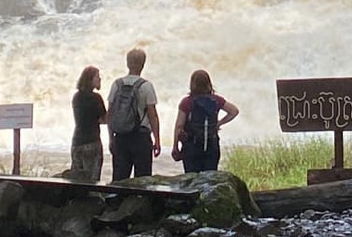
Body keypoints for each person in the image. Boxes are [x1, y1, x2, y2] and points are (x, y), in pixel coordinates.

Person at [105, 48, 161, 181]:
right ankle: (139, 201)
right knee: (142, 180)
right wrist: (157, 140)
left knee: (119, 179)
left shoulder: (117, 84)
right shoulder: (146, 86)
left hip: (120, 137)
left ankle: (115, 201)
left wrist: (111, 138)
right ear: (143, 64)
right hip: (141, 137)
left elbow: (110, 113)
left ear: (127, 63)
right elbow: (152, 116)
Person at [171, 69, 241, 172]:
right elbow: (234, 111)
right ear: (209, 83)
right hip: (212, 146)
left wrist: (175, 146)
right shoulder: (217, 100)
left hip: (191, 147)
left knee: (192, 180)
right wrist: (219, 123)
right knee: (209, 180)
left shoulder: (187, 102)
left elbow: (179, 126)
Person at [69, 65, 108, 182]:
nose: (100, 79)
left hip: (77, 142)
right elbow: (104, 120)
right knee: (92, 181)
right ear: (90, 80)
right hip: (92, 141)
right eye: (97, 77)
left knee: (77, 179)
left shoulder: (76, 97)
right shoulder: (96, 98)